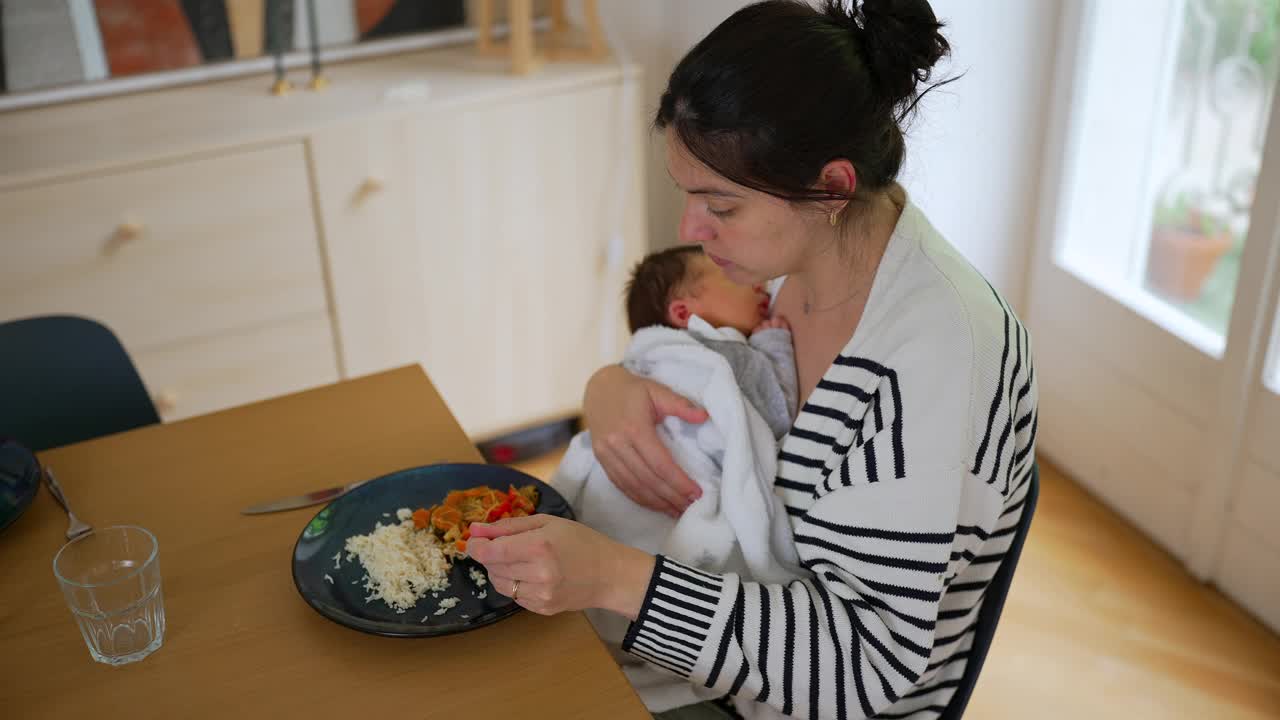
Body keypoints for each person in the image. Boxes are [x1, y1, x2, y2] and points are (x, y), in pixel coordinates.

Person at [467, 1, 1039, 718]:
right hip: (722, 649)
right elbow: (716, 374)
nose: (688, 229)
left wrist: (616, 579)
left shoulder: (929, 366)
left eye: (721, 206)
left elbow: (867, 669)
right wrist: (613, 383)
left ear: (830, 187)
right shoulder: (798, 265)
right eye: (687, 195)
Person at [555, 246, 804, 711]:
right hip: (673, 497)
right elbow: (777, 409)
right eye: (729, 274)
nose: (756, 285)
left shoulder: (646, 360)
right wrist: (773, 345)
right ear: (684, 312)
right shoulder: (725, 354)